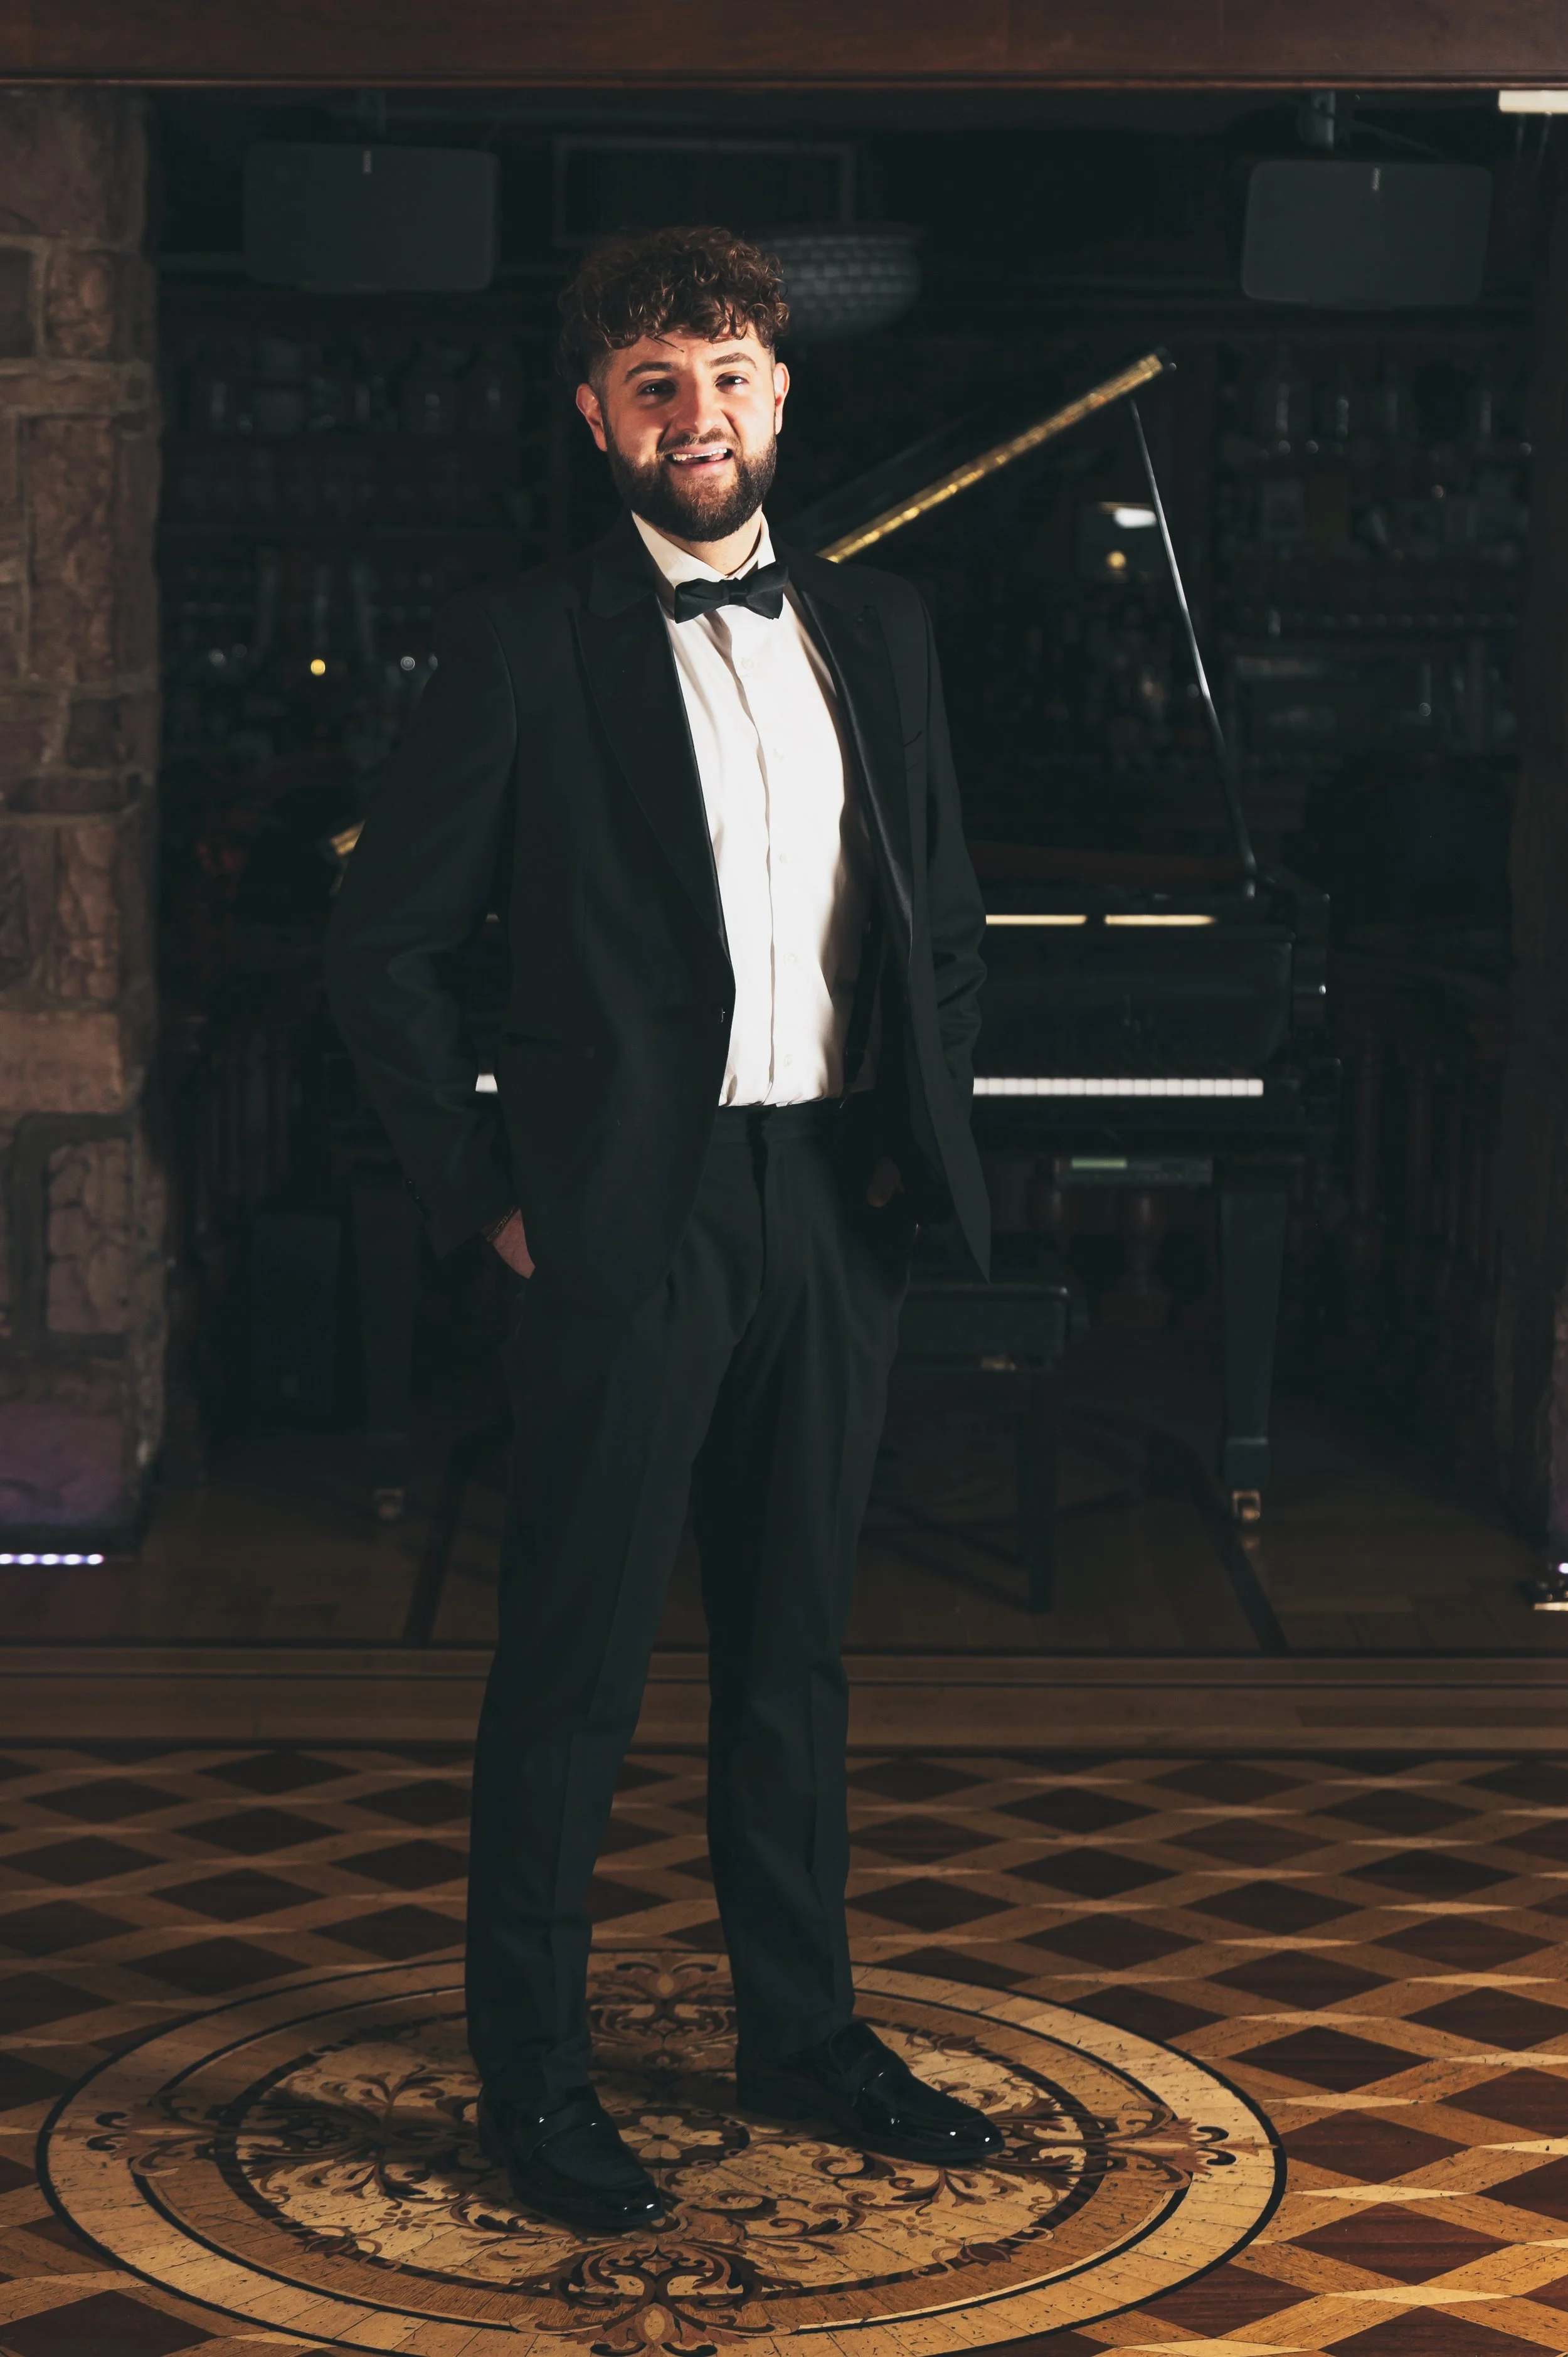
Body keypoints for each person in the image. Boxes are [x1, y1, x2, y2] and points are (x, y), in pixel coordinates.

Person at [324, 224, 997, 2235]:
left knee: (794, 1660)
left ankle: (804, 2030)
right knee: (574, 1670)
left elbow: (940, 926)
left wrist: (903, 1147)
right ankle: (533, 2080)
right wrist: (496, 1199)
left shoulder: (881, 635)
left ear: (779, 396)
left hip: (829, 1202)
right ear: (596, 417)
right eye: (651, 385)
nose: (692, 416)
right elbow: (381, 954)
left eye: (722, 376)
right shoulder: (526, 642)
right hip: (627, 1219)